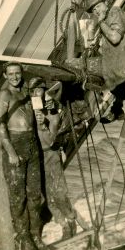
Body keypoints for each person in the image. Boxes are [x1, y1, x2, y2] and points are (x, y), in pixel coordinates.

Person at [0, 62, 53, 250]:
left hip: (31, 144)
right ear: (5, 75)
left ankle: (36, 236)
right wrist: (10, 151)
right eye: (10, 74)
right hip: (15, 144)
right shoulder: (5, 95)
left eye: (17, 73)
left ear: (22, 74)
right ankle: (24, 239)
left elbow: (39, 118)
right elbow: (0, 126)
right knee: (18, 198)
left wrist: (45, 111)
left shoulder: (28, 94)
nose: (14, 77)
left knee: (35, 194)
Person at [29, 77, 77, 240]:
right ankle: (62, 223)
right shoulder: (30, 109)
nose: (37, 94)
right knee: (47, 195)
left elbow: (54, 128)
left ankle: (70, 220)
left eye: (40, 91)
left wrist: (47, 117)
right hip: (37, 157)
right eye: (34, 92)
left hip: (51, 154)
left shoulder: (51, 110)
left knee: (59, 191)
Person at [84, 0, 125, 123]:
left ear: (106, 3)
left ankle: (112, 109)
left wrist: (100, 22)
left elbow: (115, 38)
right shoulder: (106, 18)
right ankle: (117, 109)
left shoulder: (114, 12)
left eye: (98, 6)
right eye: (94, 10)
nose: (97, 11)